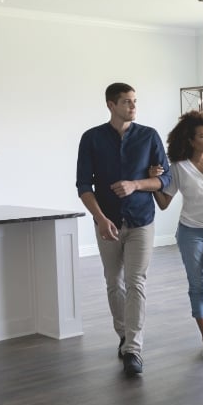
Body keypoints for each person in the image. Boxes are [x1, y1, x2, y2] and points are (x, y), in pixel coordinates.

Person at [76, 82, 171, 377]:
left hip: (142, 220)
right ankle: (123, 335)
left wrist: (137, 184)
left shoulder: (149, 136)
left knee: (136, 282)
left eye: (135, 101)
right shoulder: (91, 138)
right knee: (113, 282)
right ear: (110, 104)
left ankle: (133, 348)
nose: (133, 106)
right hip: (108, 222)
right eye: (127, 102)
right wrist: (101, 218)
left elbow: (164, 180)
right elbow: (83, 185)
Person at [151, 110, 203, 359]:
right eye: (202, 136)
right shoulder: (179, 167)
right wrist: (152, 183)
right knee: (197, 285)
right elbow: (165, 202)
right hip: (190, 233)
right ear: (190, 140)